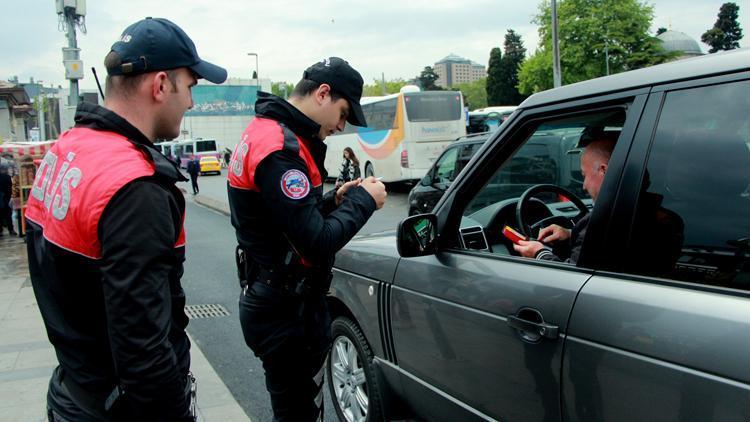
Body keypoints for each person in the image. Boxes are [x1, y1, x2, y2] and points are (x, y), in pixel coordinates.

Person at [24, 17, 226, 421]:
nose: (191, 102)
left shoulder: (70, 149)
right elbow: (144, 352)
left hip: (75, 389)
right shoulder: (135, 188)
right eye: (190, 87)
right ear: (161, 85)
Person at [227, 57, 386, 421]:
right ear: (323, 93)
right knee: (299, 411)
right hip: (286, 307)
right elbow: (316, 240)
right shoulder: (282, 148)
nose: (341, 125)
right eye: (344, 113)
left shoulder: (268, 131)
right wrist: (364, 201)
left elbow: (284, 219)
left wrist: (335, 200)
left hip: (273, 295)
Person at [514, 138, 615, 263]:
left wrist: (539, 254)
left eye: (584, 175)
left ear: (603, 170)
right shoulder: (637, 205)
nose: (584, 186)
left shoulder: (605, 217)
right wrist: (571, 234)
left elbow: (574, 276)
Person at [0, 164, 15, 236]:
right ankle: (11, 230)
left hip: (2, 198)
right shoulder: (7, 177)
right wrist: (8, 198)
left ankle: (0, 231)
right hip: (5, 199)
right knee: (8, 215)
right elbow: (9, 189)